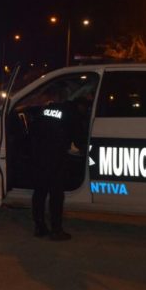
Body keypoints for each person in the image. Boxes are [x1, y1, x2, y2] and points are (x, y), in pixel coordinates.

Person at [28, 94, 89, 241]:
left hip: (39, 155)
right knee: (56, 195)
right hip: (56, 157)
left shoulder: (47, 109)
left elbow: (34, 128)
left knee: (40, 192)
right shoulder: (72, 114)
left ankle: (39, 227)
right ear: (80, 106)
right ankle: (56, 231)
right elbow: (79, 139)